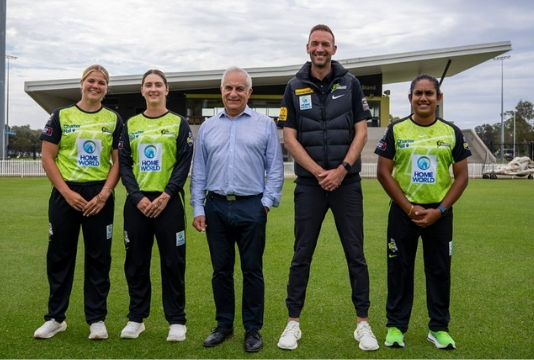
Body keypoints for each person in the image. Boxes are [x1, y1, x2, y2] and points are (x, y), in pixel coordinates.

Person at [276, 24, 379, 351]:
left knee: (355, 253)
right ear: (308, 48)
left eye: (326, 44)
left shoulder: (350, 84)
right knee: (301, 253)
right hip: (310, 185)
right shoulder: (294, 87)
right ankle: (293, 323)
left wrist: (342, 169)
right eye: (315, 44)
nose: (320, 49)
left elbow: (361, 132)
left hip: (346, 184)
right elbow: (289, 138)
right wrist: (321, 172)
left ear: (334, 49)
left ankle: (363, 324)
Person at [190, 66, 284, 353]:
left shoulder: (265, 125)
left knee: (252, 270)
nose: (233, 93)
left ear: (249, 92)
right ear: (221, 91)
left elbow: (276, 168)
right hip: (216, 206)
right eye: (228, 88)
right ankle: (224, 325)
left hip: (251, 207)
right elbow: (200, 172)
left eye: (239, 88)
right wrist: (198, 207)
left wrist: (266, 204)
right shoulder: (208, 127)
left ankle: (252, 329)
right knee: (221, 271)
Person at [374, 73, 471, 350]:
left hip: (439, 214)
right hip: (404, 213)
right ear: (410, 98)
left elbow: (461, 176)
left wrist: (439, 210)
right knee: (399, 270)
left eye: (429, 93)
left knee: (439, 270)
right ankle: (395, 327)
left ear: (438, 98)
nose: (424, 98)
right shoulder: (396, 130)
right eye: (418, 93)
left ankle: (438, 328)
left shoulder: (451, 132)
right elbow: (383, 172)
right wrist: (409, 208)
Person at [34, 64, 122, 340]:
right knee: (60, 256)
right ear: (82, 83)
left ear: (107, 89)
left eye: (101, 83)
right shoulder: (61, 115)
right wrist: (66, 192)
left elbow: (118, 162)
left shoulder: (114, 119)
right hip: (65, 193)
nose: (95, 86)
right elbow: (48, 158)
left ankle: (96, 319)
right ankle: (56, 318)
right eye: (91, 81)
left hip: (99, 195)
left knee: (99, 257)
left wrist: (104, 193)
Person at [118, 69, 193, 342]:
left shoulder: (178, 123)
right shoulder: (131, 124)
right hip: (137, 204)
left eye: (158, 85)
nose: (153, 89)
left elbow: (183, 163)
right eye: (148, 85)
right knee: (136, 262)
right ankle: (136, 318)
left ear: (166, 89)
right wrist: (137, 197)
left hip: (169, 203)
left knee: (173, 262)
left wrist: (165, 195)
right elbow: (124, 163)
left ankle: (176, 320)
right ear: (142, 91)